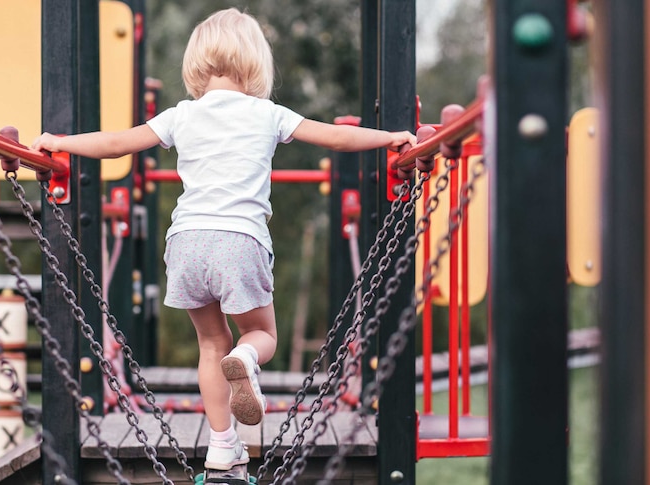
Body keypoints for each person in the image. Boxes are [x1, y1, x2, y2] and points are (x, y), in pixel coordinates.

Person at [32, 7, 416, 472]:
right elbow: (336, 137)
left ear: (195, 63)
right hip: (239, 240)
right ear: (256, 62)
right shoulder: (267, 113)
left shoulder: (181, 115)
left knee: (211, 345)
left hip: (186, 242)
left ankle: (221, 445)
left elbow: (116, 143)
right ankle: (247, 357)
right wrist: (392, 137)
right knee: (261, 334)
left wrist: (60, 142)